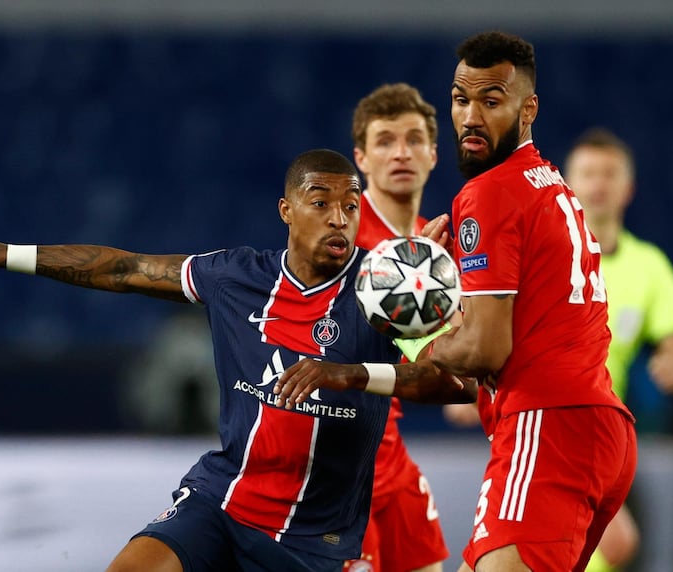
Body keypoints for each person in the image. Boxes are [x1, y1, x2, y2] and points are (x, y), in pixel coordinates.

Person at [0, 148, 473, 572]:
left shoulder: (386, 285)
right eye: (320, 203)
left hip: (315, 538)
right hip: (223, 501)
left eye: (350, 206)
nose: (338, 218)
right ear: (286, 210)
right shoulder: (236, 276)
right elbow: (125, 269)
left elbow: (454, 383)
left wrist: (350, 373)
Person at [273, 31, 638, 572]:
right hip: (596, 424)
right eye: (461, 99)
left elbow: (484, 352)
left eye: (491, 102)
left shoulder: (489, 192)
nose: (470, 116)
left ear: (528, 109)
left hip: (544, 425)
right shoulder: (550, 183)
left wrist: (415, 335)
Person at [564, 127, 673, 572]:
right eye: (588, 173)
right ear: (568, 186)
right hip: (549, 427)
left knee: (610, 550)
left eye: (610, 174)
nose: (599, 184)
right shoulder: (543, 256)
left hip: (605, 440)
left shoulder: (649, 266)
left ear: (629, 189)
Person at [347, 82, 449, 572]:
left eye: (413, 140)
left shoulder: (438, 249)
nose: (401, 153)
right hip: (339, 464)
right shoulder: (337, 242)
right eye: (385, 141)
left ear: (433, 153)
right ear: (361, 159)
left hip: (391, 455)